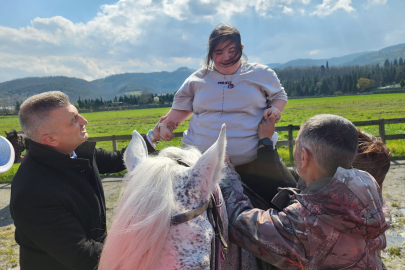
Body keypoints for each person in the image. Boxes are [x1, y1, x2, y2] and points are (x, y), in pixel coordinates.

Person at [10, 91, 162, 270]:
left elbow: (117, 158)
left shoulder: (77, 151)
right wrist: (144, 249)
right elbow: (81, 254)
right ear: (51, 139)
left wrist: (153, 137)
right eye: (73, 120)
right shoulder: (32, 192)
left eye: (77, 114)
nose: (84, 121)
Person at [220, 114, 391, 269]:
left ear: (303, 156)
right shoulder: (367, 184)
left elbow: (239, 224)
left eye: (296, 144)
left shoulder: (303, 223)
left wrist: (226, 170)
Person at [157, 23, 294, 206]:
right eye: (218, 52)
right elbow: (178, 112)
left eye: (232, 50)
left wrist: (275, 109)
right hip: (200, 166)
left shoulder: (261, 73)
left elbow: (279, 96)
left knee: (280, 203)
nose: (226, 57)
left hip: (254, 166)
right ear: (210, 53)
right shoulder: (197, 79)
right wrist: (166, 126)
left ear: (241, 48)